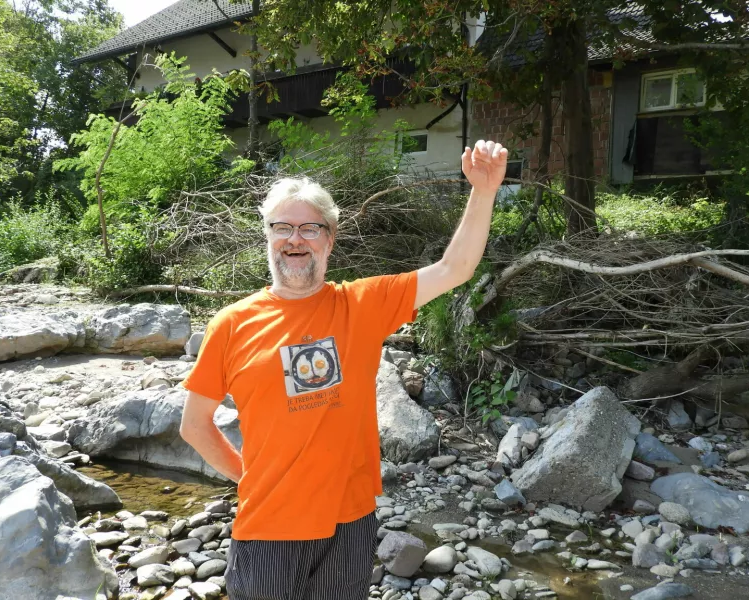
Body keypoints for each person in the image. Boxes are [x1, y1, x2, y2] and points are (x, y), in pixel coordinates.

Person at [179, 139, 508, 600]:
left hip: (350, 523)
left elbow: (455, 267)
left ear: (329, 239)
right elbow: (195, 426)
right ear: (268, 236)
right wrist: (248, 479)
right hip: (269, 525)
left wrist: (484, 190)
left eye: (310, 228)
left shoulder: (362, 304)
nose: (296, 239)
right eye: (283, 227)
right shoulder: (231, 324)